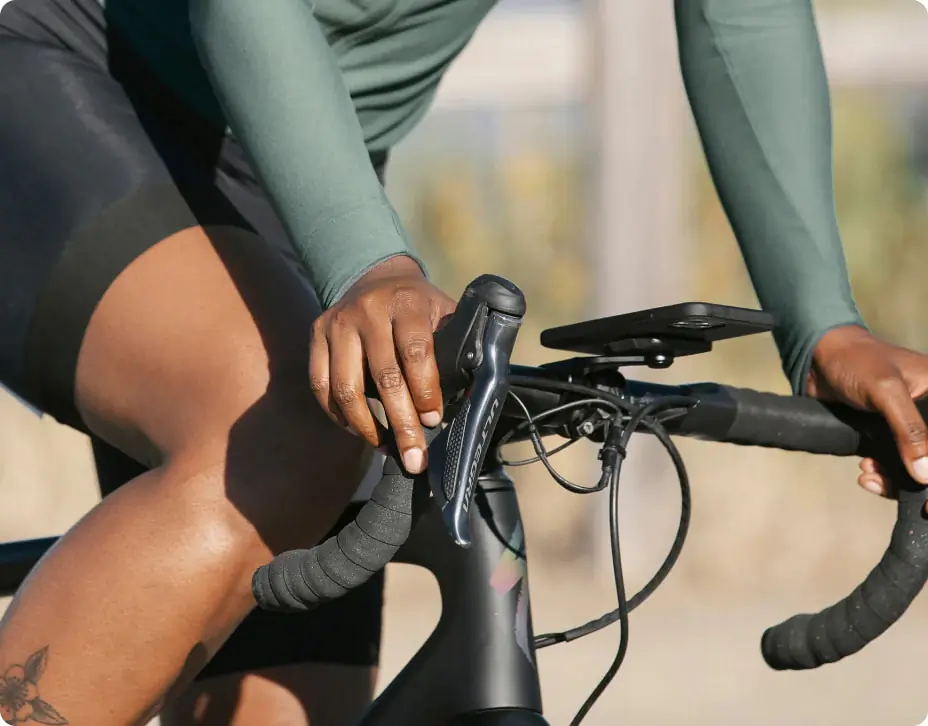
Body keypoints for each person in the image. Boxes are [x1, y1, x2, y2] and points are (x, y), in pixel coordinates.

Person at [0, 0, 923, 723]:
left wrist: (824, 329)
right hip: (62, 80)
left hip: (302, 169)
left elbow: (743, 13)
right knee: (287, 412)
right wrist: (368, 262)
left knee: (292, 700)